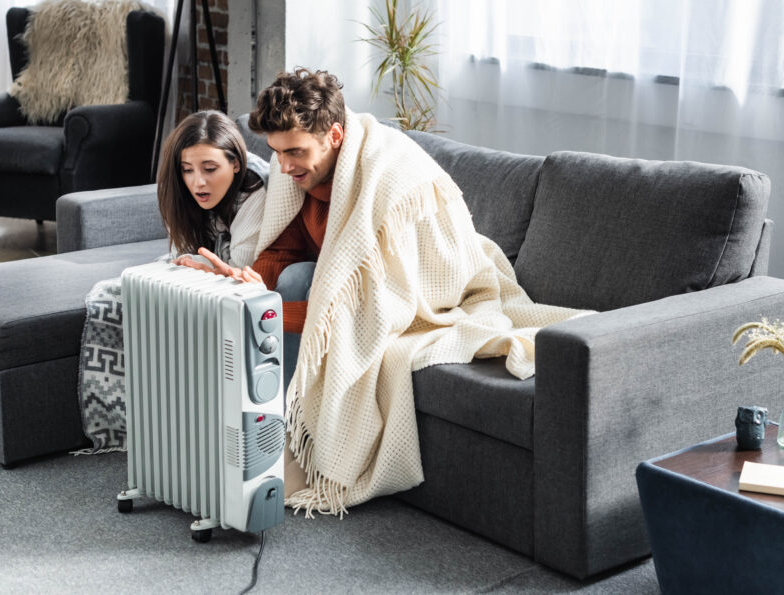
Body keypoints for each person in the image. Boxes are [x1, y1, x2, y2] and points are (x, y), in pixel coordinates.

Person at [192, 69, 594, 515]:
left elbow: (367, 311)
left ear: (336, 135)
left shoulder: (386, 177)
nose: (283, 167)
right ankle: (256, 437)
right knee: (289, 281)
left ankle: (290, 453)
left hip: (424, 289)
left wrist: (267, 313)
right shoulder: (302, 172)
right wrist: (247, 285)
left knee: (295, 287)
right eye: (277, 153)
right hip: (347, 288)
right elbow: (285, 246)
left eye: (295, 153)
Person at [77, 110, 268, 454]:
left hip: (237, 280)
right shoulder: (183, 193)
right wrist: (193, 264)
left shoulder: (256, 189)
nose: (198, 183)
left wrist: (199, 265)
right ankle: (142, 422)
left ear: (236, 164)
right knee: (118, 295)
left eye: (210, 169)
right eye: (188, 170)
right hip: (204, 266)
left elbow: (241, 267)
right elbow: (184, 251)